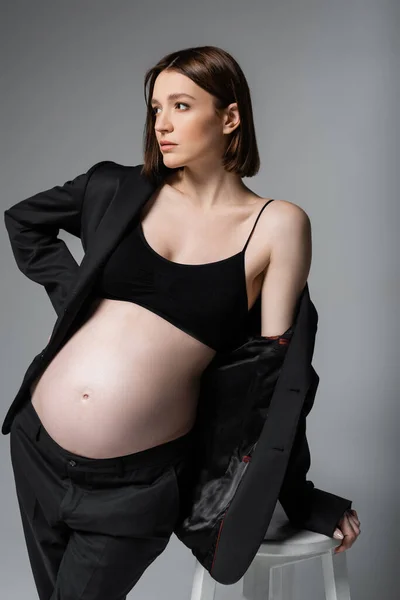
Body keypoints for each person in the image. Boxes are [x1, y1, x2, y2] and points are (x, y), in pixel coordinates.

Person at [6, 45, 360, 599]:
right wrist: (75, 300)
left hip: (135, 485)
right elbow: (24, 220)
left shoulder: (276, 226)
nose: (162, 124)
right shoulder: (116, 188)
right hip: (37, 447)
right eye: (154, 109)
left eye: (180, 105)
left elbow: (274, 383)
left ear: (230, 116)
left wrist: (302, 498)